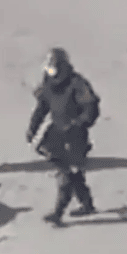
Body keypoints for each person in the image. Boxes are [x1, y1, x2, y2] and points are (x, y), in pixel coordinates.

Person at [25, 47, 101, 223]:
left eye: (54, 68)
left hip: (75, 135)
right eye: (49, 69)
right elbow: (42, 107)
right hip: (56, 133)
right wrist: (33, 128)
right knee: (71, 173)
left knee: (67, 174)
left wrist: (79, 122)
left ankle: (58, 213)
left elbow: (91, 107)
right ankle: (87, 204)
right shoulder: (49, 84)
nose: (51, 73)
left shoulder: (77, 84)